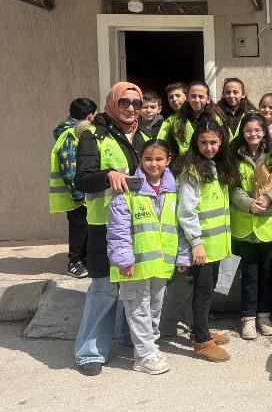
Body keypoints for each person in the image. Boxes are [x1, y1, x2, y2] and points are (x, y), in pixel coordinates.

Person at [73, 83, 148, 375]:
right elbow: (82, 179)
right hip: (103, 224)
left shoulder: (146, 135)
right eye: (125, 102)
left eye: (137, 103)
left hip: (137, 225)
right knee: (103, 288)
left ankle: (132, 337)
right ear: (112, 102)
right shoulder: (94, 135)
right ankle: (90, 351)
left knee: (134, 284)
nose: (131, 108)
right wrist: (108, 175)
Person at [106, 139, 190, 375]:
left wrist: (183, 256)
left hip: (161, 263)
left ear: (168, 161)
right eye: (148, 159)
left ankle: (149, 347)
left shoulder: (173, 190)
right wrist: (123, 259)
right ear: (140, 160)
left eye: (159, 159)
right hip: (134, 264)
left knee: (154, 307)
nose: (153, 164)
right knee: (138, 308)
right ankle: (143, 356)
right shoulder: (129, 188)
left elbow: (180, 227)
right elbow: (118, 228)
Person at [177, 118, 240, 362]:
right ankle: (202, 342)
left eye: (214, 142)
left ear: (222, 141)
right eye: (203, 143)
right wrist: (196, 243)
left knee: (209, 289)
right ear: (196, 143)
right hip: (203, 246)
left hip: (217, 244)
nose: (209, 147)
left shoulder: (217, 167)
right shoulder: (192, 171)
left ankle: (199, 330)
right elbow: (186, 211)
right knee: (203, 292)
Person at [230, 113, 272, 339]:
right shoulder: (235, 156)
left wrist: (269, 198)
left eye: (257, 130)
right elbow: (233, 185)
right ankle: (247, 319)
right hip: (244, 225)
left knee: (266, 274)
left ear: (264, 131)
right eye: (248, 130)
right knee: (249, 275)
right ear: (242, 133)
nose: (253, 134)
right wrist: (248, 204)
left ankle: (264, 317)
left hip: (268, 224)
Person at [50, 97, 97, 278]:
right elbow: (69, 167)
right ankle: (75, 262)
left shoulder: (72, 131)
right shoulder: (71, 135)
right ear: (90, 116)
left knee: (85, 228)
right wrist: (78, 194)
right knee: (79, 229)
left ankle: (84, 260)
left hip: (81, 193)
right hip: (76, 195)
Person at [160, 80, 228, 157]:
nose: (197, 100)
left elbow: (225, 146)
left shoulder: (217, 119)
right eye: (193, 96)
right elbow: (171, 149)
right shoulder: (176, 121)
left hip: (213, 165)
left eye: (201, 96)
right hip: (186, 166)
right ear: (187, 98)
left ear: (208, 99)